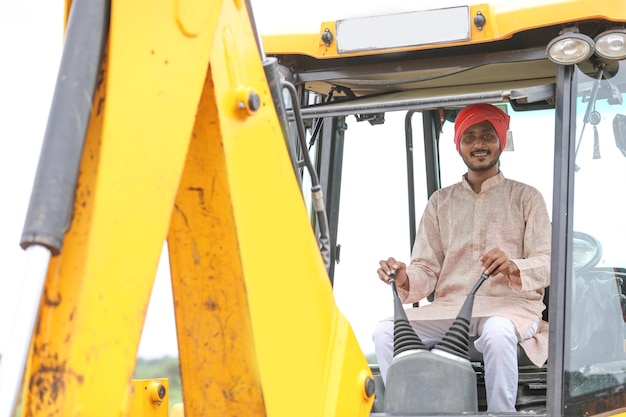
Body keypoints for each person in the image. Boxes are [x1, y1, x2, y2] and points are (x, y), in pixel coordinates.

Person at [373, 103, 551, 413]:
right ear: (459, 145)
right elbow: (426, 268)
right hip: (449, 310)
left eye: (487, 136)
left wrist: (513, 266)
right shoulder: (441, 202)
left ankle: (501, 413)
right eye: (469, 137)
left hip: (512, 308)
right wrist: (403, 277)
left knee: (497, 331)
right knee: (385, 332)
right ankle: (409, 408)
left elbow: (548, 261)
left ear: (500, 141)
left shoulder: (527, 197)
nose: (479, 144)